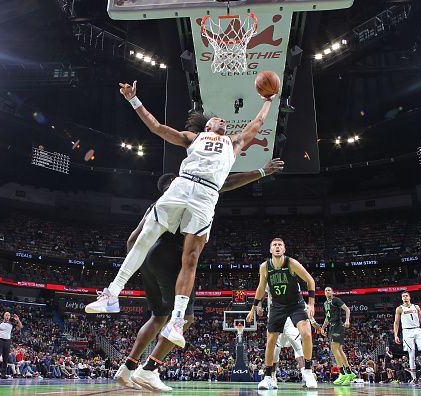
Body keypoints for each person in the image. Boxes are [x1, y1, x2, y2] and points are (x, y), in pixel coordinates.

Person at [86, 79, 276, 348]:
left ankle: (176, 321)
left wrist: (267, 102)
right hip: (182, 184)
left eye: (224, 121)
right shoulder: (194, 138)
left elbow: (256, 125)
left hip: (207, 194)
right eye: (218, 120)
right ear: (208, 126)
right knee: (145, 238)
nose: (223, 122)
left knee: (191, 258)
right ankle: (112, 293)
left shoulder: (234, 142)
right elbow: (157, 128)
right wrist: (133, 100)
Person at [114, 159, 284, 391]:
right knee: (186, 317)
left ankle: (126, 370)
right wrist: (262, 171)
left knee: (158, 316)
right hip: (171, 258)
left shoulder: (158, 203)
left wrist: (137, 265)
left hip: (148, 260)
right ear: (176, 182)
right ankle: (149, 369)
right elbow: (225, 183)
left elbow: (132, 239)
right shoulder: (187, 192)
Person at [246, 238, 318, 389]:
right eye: (274, 245)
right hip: (277, 306)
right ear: (270, 250)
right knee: (271, 340)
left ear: (284, 249)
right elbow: (260, 288)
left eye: (280, 245)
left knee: (306, 333)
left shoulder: (291, 263)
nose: (277, 247)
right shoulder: (264, 267)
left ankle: (308, 372)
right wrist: (253, 308)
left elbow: (310, 280)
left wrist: (311, 304)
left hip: (295, 304)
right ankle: (268, 377)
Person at [255, 284, 305, 389]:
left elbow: (299, 298)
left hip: (290, 318)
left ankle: (306, 375)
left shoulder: (292, 276)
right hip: (275, 317)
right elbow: (261, 294)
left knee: (298, 346)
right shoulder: (270, 278)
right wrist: (258, 305)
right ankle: (272, 377)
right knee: (274, 351)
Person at [393, 291, 421, 385]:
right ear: (402, 298)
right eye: (403, 296)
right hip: (407, 331)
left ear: (409, 297)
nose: (405, 297)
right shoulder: (399, 309)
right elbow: (396, 323)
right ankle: (413, 378)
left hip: (417, 330)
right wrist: (396, 335)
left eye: (406, 296)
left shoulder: (416, 307)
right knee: (411, 353)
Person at [0, 312, 23, 379]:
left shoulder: (11, 324)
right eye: (6, 315)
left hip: (7, 341)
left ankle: (3, 374)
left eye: (8, 315)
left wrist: (18, 320)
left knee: (5, 358)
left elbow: (20, 327)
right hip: (0, 340)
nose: (7, 316)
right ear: (4, 316)